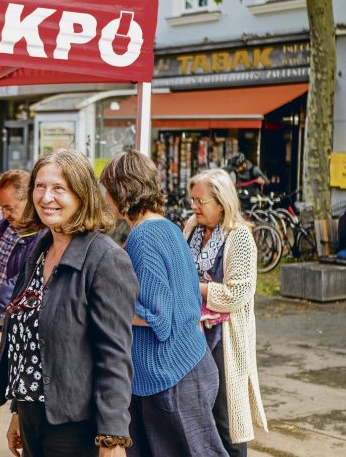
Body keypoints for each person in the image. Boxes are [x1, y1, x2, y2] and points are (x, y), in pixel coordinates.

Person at [0, 149, 137, 457]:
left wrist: (112, 438)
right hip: (34, 415)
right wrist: (18, 410)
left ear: (82, 194)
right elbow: (29, 343)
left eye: (59, 188)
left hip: (76, 424)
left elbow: (114, 355)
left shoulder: (105, 259)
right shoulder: (39, 250)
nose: (47, 197)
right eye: (40, 186)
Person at [100, 149, 226, 457]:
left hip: (172, 376)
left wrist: (103, 305)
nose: (104, 198)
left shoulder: (143, 237)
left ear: (123, 191)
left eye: (107, 190)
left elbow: (157, 315)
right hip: (189, 365)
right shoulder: (169, 227)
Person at [184, 168, 268, 456]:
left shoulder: (240, 237)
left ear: (222, 202)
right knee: (197, 412)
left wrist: (197, 287)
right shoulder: (191, 228)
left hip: (225, 340)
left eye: (200, 201)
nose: (194, 206)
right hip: (192, 333)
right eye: (192, 199)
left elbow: (237, 294)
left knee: (226, 419)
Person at [0, 170, 42, 330]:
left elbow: (21, 281)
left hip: (20, 320)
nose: (4, 214)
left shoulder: (42, 237)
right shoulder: (3, 226)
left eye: (9, 208)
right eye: (1, 208)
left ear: (28, 200)